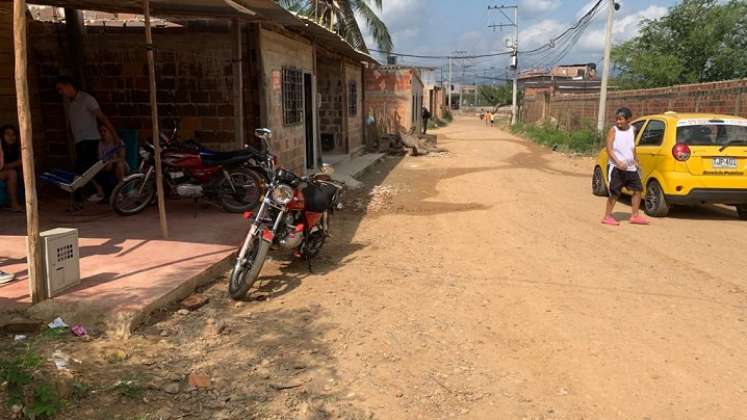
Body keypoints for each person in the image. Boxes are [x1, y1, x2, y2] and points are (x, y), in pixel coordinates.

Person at [55, 75, 119, 201]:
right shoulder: (71, 103)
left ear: (68, 85)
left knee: (86, 169)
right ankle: (110, 192)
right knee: (91, 171)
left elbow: (102, 117)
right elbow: (72, 122)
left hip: (90, 141)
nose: (60, 92)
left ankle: (79, 197)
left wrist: (115, 135)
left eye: (61, 88)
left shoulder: (87, 99)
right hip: (80, 141)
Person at [602, 107, 649, 226]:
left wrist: (636, 160)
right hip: (617, 168)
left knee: (638, 190)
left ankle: (635, 215)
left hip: (630, 167)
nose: (618, 122)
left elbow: (632, 146)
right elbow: (609, 149)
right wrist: (618, 162)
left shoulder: (632, 129)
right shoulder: (613, 130)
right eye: (617, 119)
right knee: (615, 192)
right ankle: (607, 216)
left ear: (628, 119)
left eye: (621, 119)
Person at [0, 124, 23, 212]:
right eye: (8, 134)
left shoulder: (15, 148)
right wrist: (17, 163)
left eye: (13, 134)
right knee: (12, 173)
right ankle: (14, 204)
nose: (11, 137)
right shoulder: (0, 147)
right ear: (2, 135)